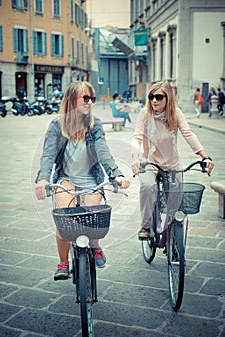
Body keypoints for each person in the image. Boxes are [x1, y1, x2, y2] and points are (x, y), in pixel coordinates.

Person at [35, 81, 130, 280]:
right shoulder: (56, 125)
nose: (89, 102)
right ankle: (63, 262)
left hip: (91, 179)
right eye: (85, 98)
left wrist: (116, 174)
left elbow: (103, 151)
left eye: (92, 98)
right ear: (71, 100)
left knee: (93, 214)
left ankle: (95, 245)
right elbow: (48, 154)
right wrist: (43, 179)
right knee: (64, 218)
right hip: (66, 179)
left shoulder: (94, 125)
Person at [131, 81, 214, 240]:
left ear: (168, 98)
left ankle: (175, 238)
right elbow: (137, 137)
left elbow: (188, 134)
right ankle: (146, 226)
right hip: (149, 162)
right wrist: (135, 158)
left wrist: (204, 156)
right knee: (147, 186)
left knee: (175, 203)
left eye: (159, 97)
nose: (154, 100)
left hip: (172, 164)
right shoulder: (145, 113)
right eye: (151, 97)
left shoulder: (176, 114)